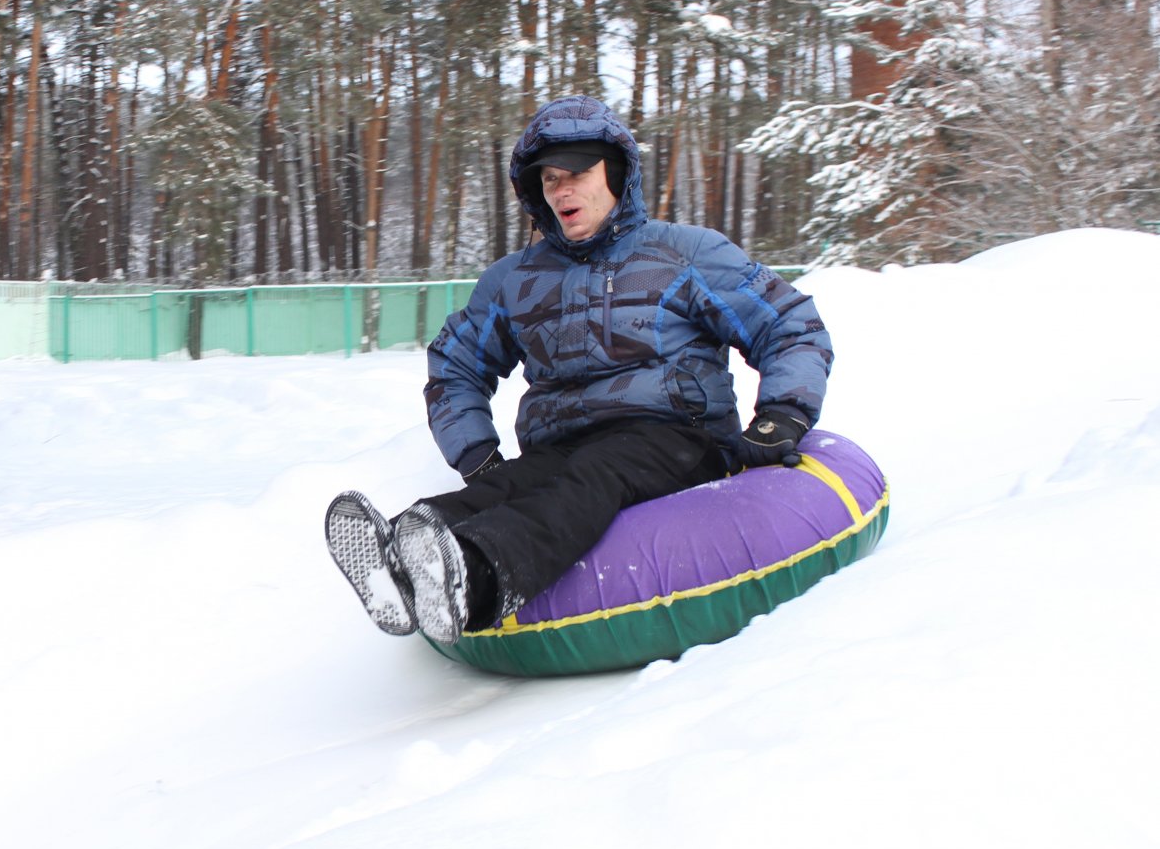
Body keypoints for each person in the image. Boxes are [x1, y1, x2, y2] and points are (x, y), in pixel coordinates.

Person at [325, 94, 833, 644]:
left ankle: (473, 575)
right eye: (549, 180)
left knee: (594, 475)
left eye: (577, 173)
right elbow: (454, 364)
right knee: (517, 483)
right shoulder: (516, 280)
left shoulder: (682, 254)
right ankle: (403, 554)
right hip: (563, 443)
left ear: (615, 173)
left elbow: (787, 323)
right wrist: (477, 456)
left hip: (675, 438)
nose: (562, 190)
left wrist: (781, 413)